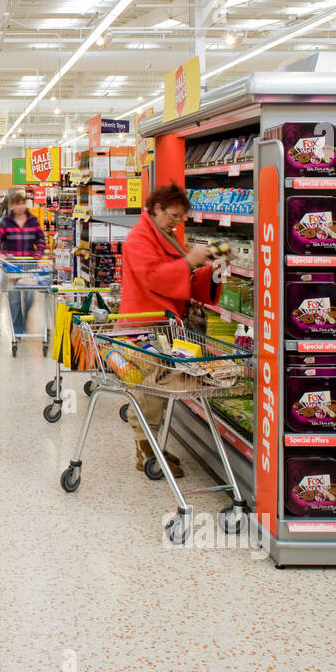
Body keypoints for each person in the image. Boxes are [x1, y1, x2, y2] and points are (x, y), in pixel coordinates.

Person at [118, 183, 216, 478]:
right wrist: (190, 260)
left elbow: (184, 277)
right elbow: (154, 278)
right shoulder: (138, 239)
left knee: (158, 390)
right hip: (142, 327)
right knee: (148, 390)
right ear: (157, 209)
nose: (177, 222)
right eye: (173, 215)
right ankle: (144, 450)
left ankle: (153, 444)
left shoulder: (168, 237)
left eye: (180, 218)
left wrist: (212, 269)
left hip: (165, 327)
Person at [0, 190, 46, 340]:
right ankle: (18, 331)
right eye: (17, 204)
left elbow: (41, 240)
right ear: (12, 206)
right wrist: (0, 253)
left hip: (28, 266)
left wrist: (37, 255)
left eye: (23, 203)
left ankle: (24, 320)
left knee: (29, 298)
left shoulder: (33, 221)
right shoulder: (6, 223)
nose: (21, 206)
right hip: (11, 267)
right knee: (14, 300)